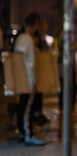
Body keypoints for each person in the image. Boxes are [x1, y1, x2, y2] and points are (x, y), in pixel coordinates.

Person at [15, 12, 46, 146]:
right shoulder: (28, 40)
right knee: (27, 108)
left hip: (20, 80)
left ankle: (23, 132)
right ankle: (28, 135)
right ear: (34, 25)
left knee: (22, 107)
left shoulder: (20, 38)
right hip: (27, 81)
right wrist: (33, 82)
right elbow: (30, 64)